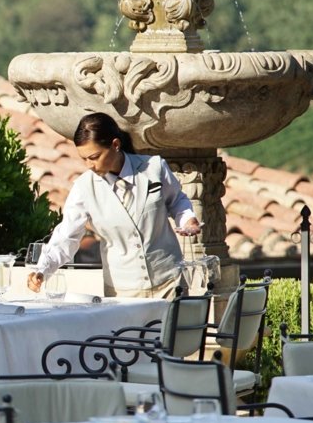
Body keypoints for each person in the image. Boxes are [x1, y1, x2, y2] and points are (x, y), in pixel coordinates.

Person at [27, 113, 201, 299]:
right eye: (84, 159)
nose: (89, 165)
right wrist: (42, 270)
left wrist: (187, 218)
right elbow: (66, 237)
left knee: (175, 329)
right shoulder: (83, 188)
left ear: (116, 145)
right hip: (122, 292)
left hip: (170, 282)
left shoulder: (154, 167)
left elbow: (177, 201)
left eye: (94, 157)